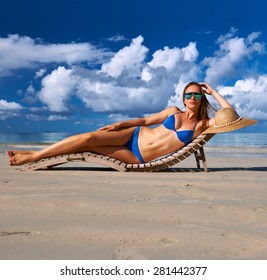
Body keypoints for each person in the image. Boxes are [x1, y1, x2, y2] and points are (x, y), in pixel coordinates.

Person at [6, 82, 233, 166]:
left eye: (197, 95)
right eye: (188, 95)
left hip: (138, 157)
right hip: (133, 135)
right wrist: (120, 124)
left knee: (86, 148)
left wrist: (213, 91)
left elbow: (231, 116)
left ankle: (35, 154)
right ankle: (35, 155)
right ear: (183, 98)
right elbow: (145, 121)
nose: (192, 99)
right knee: (87, 139)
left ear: (202, 99)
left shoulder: (203, 125)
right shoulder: (173, 111)